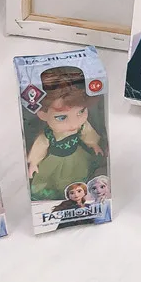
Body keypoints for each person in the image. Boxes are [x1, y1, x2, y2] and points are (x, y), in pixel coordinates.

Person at [27, 67, 104, 201]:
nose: (74, 123)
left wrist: (94, 144)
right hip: (55, 161)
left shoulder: (81, 126)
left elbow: (88, 133)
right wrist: (34, 162)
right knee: (52, 181)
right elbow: (40, 147)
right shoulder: (49, 135)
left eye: (81, 112)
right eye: (61, 117)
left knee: (79, 174)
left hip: (77, 157)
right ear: (43, 114)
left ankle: (78, 192)